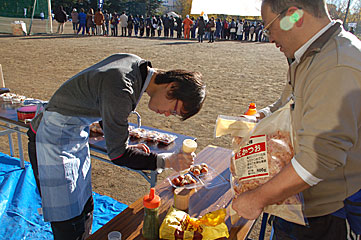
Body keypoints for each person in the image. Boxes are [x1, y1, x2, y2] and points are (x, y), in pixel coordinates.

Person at [27, 53, 206, 240]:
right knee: (69, 220)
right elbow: (118, 155)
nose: (168, 114)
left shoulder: (135, 65)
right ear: (173, 86)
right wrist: (168, 161)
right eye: (175, 108)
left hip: (72, 134)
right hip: (52, 138)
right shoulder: (122, 88)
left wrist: (124, 141)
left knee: (84, 206)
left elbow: (106, 110)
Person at [231, 0, 361, 239]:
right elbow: (286, 103)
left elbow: (319, 158)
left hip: (324, 213)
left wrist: (258, 198)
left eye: (268, 28)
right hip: (298, 201)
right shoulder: (311, 54)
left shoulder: (336, 64)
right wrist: (261, 116)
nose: (269, 38)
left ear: (294, 16)